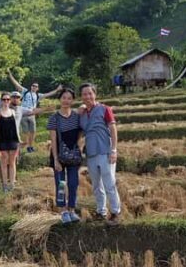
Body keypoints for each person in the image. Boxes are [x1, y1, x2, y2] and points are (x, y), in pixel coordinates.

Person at [78, 82, 122, 226]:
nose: (87, 96)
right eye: (84, 94)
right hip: (91, 154)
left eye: (90, 93)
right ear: (81, 97)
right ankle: (101, 211)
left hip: (105, 152)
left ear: (95, 94)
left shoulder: (105, 109)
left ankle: (115, 212)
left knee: (109, 184)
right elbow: (79, 132)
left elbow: (113, 129)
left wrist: (114, 150)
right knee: (97, 185)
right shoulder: (83, 114)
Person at [47, 88, 83, 224]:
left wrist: (78, 148)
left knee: (73, 184)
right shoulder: (54, 118)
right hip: (59, 156)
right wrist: (56, 159)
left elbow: (80, 134)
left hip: (73, 155)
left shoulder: (77, 117)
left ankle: (72, 209)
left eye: (69, 98)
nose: (66, 100)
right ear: (60, 99)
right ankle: (63, 210)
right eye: (64, 98)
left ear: (72, 100)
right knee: (61, 184)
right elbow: (53, 140)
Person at [8, 70, 62, 153]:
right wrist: (10, 75)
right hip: (24, 113)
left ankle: (30, 146)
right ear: (31, 86)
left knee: (33, 131)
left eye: (36, 86)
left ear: (37, 88)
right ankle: (24, 145)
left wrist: (57, 90)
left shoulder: (38, 95)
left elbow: (49, 94)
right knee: (25, 131)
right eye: (33, 85)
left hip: (32, 114)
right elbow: (16, 84)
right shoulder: (25, 91)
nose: (34, 87)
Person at [0, 92, 24, 192]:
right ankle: (5, 184)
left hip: (13, 139)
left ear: (10, 101)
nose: (6, 101)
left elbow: (15, 127)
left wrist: (19, 140)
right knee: (4, 161)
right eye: (4, 99)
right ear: (1, 101)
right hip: (2, 139)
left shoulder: (13, 112)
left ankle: (12, 184)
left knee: (12, 161)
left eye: (8, 99)